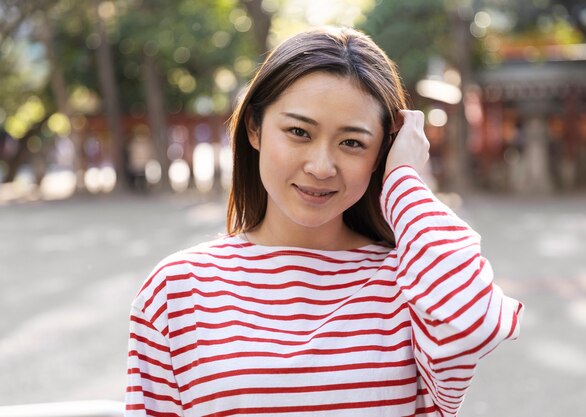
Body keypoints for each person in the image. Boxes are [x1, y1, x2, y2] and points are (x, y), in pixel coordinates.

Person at [125, 26, 523, 417]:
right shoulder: (178, 290)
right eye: (299, 131)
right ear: (254, 128)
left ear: (381, 153)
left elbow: (475, 322)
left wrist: (404, 182)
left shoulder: (414, 285)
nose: (320, 167)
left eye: (352, 142)